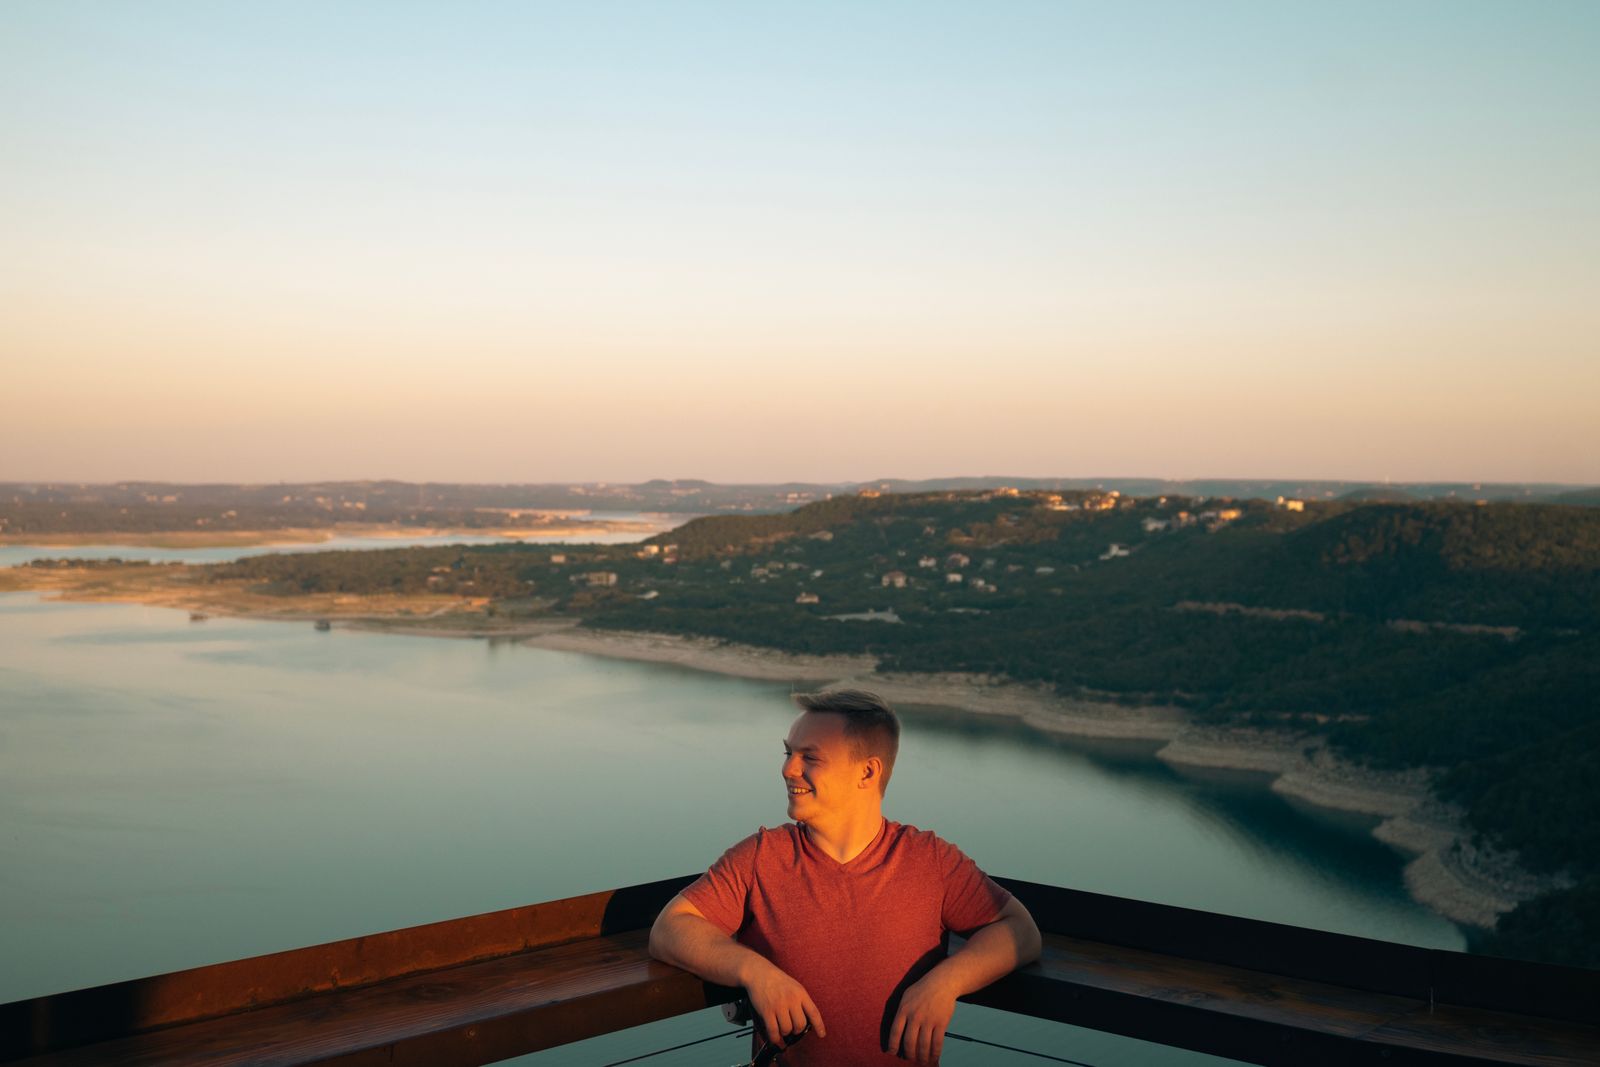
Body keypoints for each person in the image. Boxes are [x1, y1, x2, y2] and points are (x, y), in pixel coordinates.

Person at [649, 689, 1042, 1065]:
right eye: (788, 752)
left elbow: (1019, 931)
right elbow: (670, 929)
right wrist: (754, 971)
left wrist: (946, 982)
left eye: (810, 757)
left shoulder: (929, 861)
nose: (788, 768)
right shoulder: (761, 858)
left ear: (867, 772)